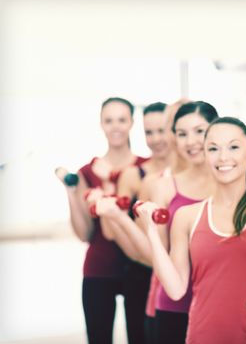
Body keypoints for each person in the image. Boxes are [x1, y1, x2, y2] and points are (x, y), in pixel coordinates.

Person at [97, 101, 218, 344]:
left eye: (198, 131)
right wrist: (120, 218)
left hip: (220, 300)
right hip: (174, 302)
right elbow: (151, 254)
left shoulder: (233, 177)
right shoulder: (157, 183)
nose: (190, 140)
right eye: (181, 132)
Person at [138, 117, 246, 344]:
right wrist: (151, 232)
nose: (223, 157)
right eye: (213, 149)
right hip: (202, 336)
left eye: (234, 147)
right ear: (205, 155)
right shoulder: (187, 216)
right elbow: (175, 290)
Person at [55, 97, 148, 344]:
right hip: (99, 268)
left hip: (139, 268)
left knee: (141, 338)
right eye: (109, 120)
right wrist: (71, 193)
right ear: (101, 124)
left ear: (131, 123)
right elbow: (84, 233)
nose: (115, 126)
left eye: (121, 119)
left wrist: (107, 186)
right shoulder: (86, 171)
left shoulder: (145, 168)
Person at [96, 101, 173, 344]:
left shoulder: (191, 172)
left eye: (162, 130)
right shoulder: (134, 175)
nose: (156, 139)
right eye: (149, 132)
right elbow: (111, 231)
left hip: (182, 270)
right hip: (142, 273)